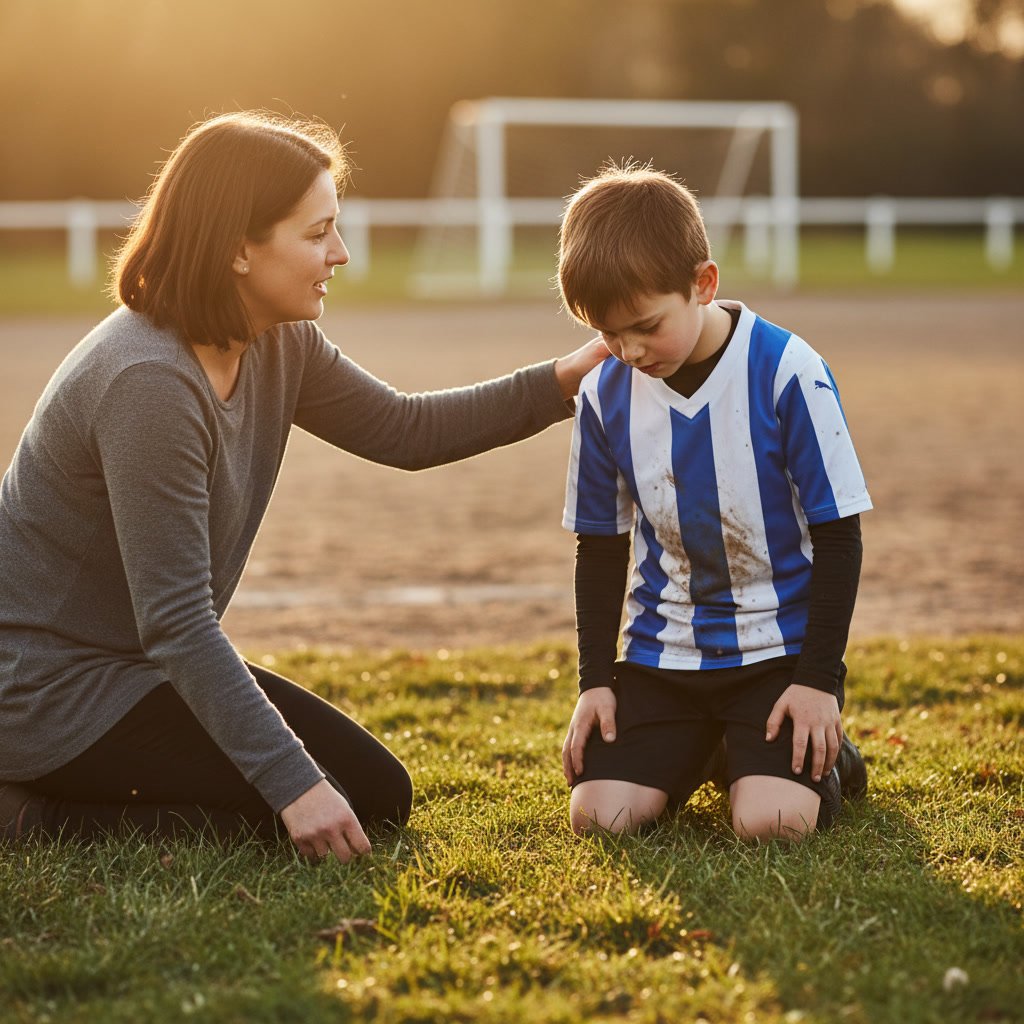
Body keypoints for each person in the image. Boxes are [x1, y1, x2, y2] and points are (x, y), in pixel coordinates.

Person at [0, 111, 607, 863]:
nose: (341, 254)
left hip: (138, 671)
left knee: (376, 795)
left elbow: (405, 430)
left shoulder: (276, 338)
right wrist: (294, 786)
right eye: (317, 233)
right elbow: (179, 624)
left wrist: (559, 384)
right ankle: (33, 817)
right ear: (237, 250)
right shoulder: (147, 381)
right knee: (320, 806)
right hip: (47, 693)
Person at [558, 163, 871, 842]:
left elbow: (840, 538)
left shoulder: (788, 370)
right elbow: (601, 545)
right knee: (599, 817)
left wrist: (819, 681)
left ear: (703, 284)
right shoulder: (603, 393)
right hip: (661, 657)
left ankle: (822, 756)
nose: (629, 350)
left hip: (776, 653)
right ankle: (705, 745)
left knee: (774, 825)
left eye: (644, 325)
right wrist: (595, 681)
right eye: (610, 334)